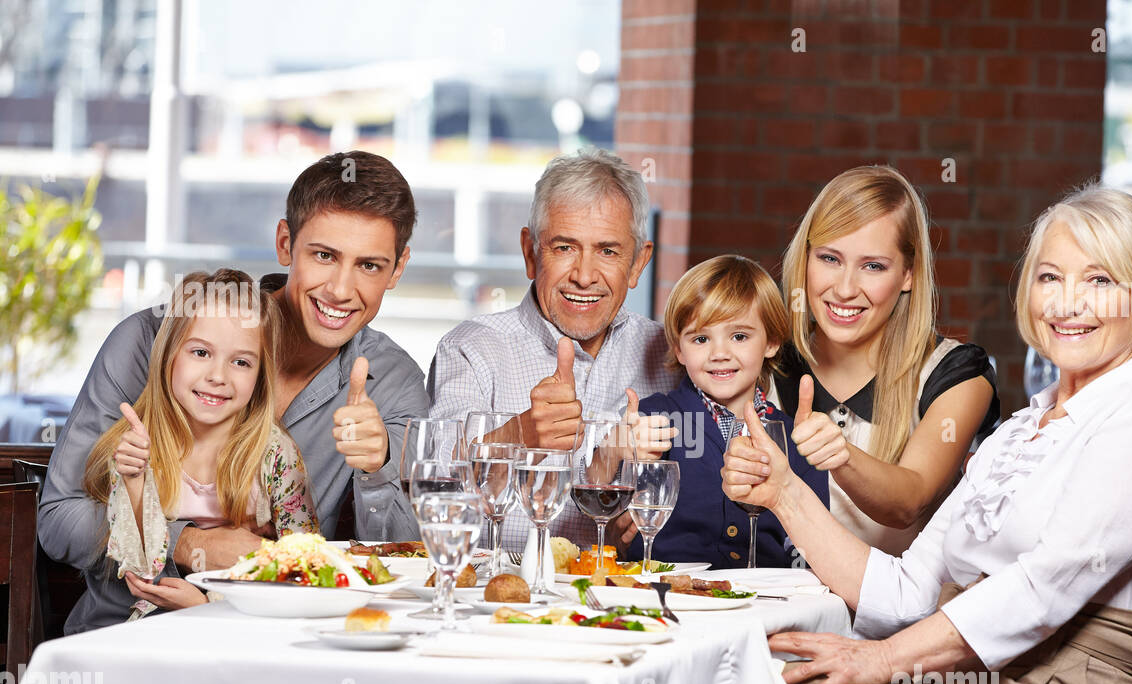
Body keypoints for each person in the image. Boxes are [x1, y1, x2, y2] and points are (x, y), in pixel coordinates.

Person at [721, 185, 1132, 684]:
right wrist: (784, 495)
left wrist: (877, 661)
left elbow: (1043, 588)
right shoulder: (1019, 431)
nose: (1066, 302)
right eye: (1050, 277)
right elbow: (907, 593)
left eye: (1099, 281)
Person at [41, 151, 429, 633]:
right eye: (324, 255)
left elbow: (409, 566)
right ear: (285, 243)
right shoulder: (149, 340)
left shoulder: (393, 381)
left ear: (398, 268)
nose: (340, 290)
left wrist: (377, 467)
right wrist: (189, 543)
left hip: (277, 641)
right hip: (123, 634)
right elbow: (59, 519)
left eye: (369, 265)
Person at [427, 147, 680, 551]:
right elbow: (434, 488)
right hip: (497, 588)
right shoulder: (471, 349)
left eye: (608, 251)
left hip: (620, 588)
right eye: (564, 248)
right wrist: (520, 433)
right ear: (531, 253)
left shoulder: (673, 356)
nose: (584, 276)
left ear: (637, 264)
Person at [772, 166, 999, 557]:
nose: (845, 289)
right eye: (829, 258)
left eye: (873, 266)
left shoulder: (958, 375)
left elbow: (908, 503)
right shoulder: (767, 361)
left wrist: (840, 454)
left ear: (908, 274)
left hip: (893, 599)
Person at [77, 269, 317, 626]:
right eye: (201, 352)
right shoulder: (137, 444)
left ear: (260, 376)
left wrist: (207, 604)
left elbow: (308, 568)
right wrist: (134, 482)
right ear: (169, 355)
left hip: (241, 629)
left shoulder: (276, 454)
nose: (218, 376)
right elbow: (139, 567)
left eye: (241, 362)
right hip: (141, 632)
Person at [626, 255, 828, 568]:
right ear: (679, 349)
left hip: (768, 593)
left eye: (739, 336)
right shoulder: (655, 419)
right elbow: (612, 506)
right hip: (669, 590)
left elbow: (813, 544)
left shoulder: (797, 437)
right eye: (701, 339)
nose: (719, 353)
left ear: (772, 342)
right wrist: (622, 451)